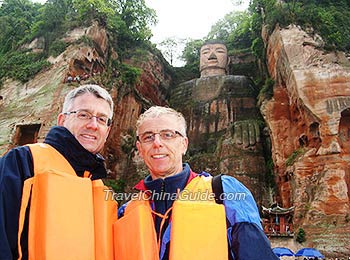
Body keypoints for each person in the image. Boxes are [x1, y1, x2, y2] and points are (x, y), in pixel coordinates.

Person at [117, 106, 278, 260]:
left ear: (184, 144)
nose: (157, 143)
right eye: (148, 137)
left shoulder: (223, 192)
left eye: (167, 135)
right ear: (140, 147)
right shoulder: (127, 212)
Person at [0, 84, 116, 260]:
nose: (93, 125)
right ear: (62, 120)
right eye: (83, 115)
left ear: (107, 131)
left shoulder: (101, 189)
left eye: (101, 119)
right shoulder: (24, 161)